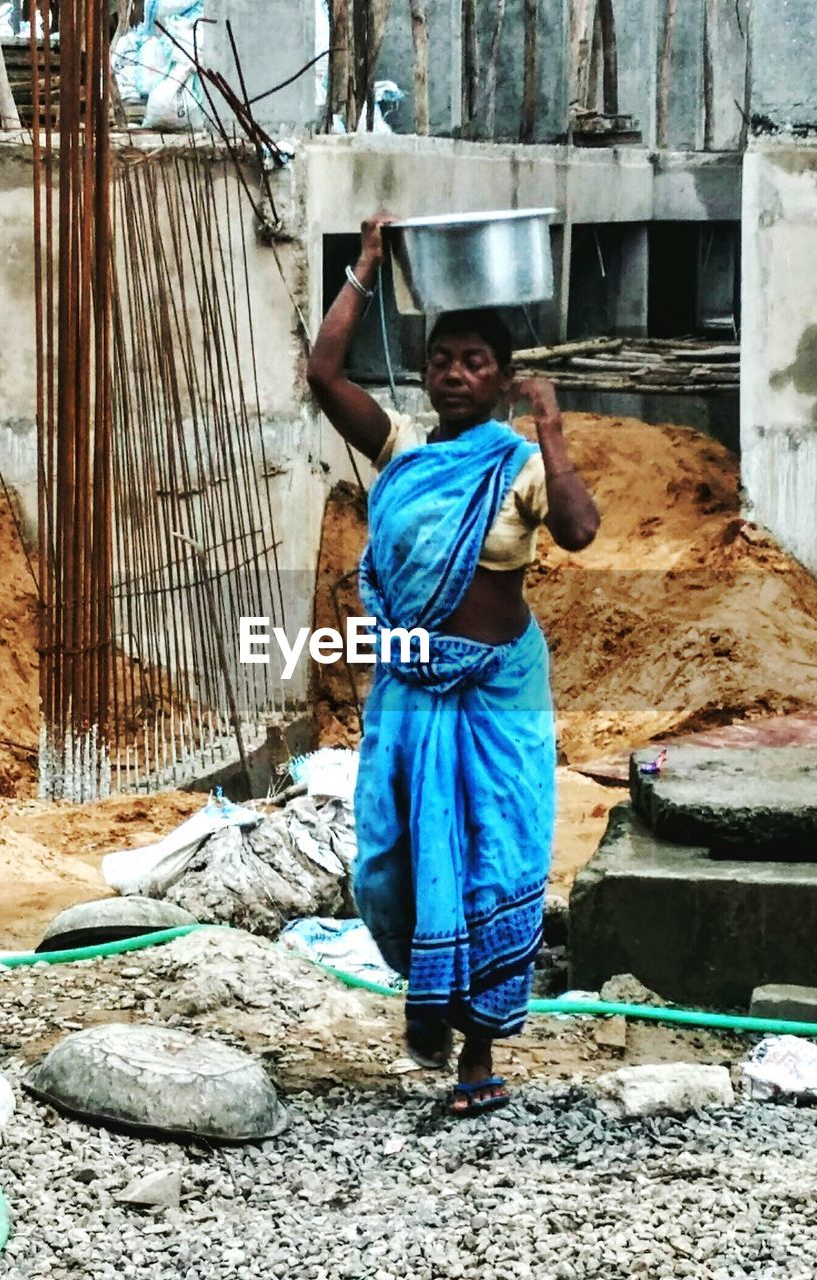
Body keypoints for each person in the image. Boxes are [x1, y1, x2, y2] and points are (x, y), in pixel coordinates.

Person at [307, 216, 600, 1116]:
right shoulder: (402, 450)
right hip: (408, 684)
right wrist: (363, 263)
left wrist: (549, 427)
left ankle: (475, 1053)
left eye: (475, 361)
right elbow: (323, 373)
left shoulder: (515, 465)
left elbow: (581, 531)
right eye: (442, 360)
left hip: (499, 690)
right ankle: (426, 995)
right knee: (391, 856)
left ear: (502, 378)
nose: (455, 374)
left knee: (488, 858)